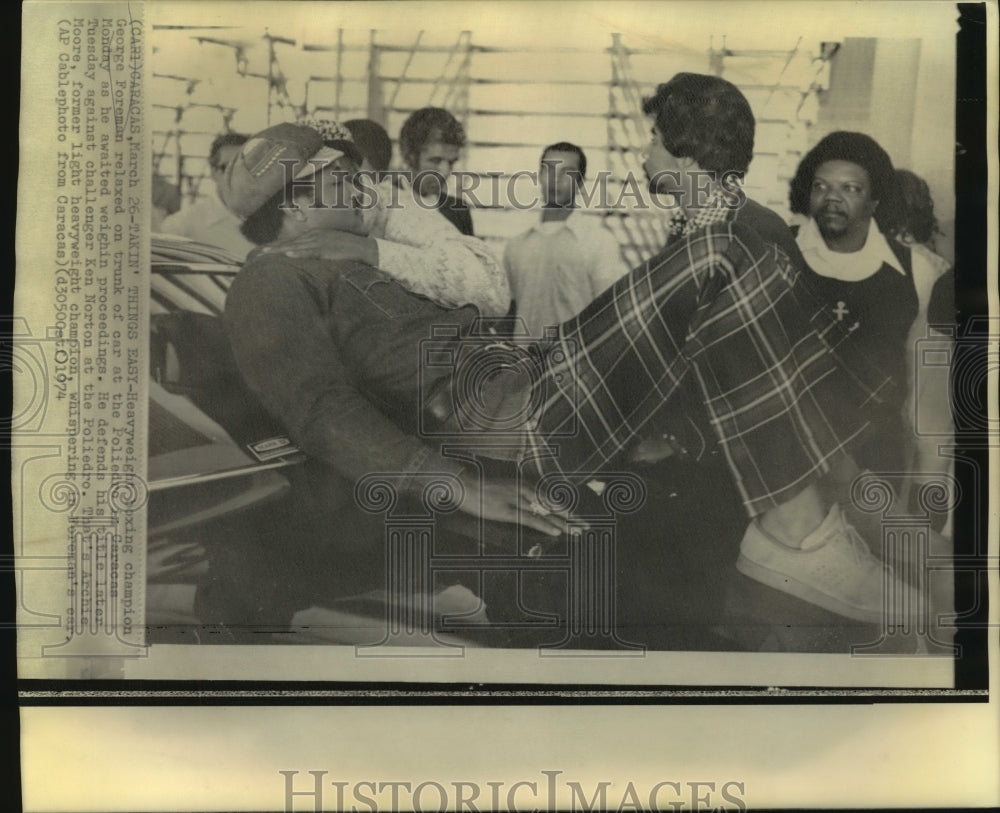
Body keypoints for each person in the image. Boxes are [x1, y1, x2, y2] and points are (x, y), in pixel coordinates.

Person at [223, 75, 916, 628]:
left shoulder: (350, 256)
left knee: (734, 243)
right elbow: (318, 409)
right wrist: (457, 484)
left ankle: (816, 516)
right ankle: (802, 529)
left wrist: (367, 236)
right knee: (723, 248)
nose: (364, 186)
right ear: (300, 196)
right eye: (345, 178)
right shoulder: (269, 279)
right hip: (510, 413)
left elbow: (473, 275)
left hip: (527, 379)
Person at [252, 118, 509, 316]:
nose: (355, 193)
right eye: (338, 181)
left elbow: (491, 292)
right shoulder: (276, 232)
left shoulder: (392, 205)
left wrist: (371, 250)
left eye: (353, 178)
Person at [789, 131, 917, 474]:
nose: (832, 198)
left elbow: (926, 388)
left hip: (876, 458)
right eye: (821, 186)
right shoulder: (777, 254)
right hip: (792, 453)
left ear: (875, 202)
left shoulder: (917, 270)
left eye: (851, 189)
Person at [503, 142, 629, 336]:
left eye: (567, 173)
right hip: (524, 362)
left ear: (580, 183)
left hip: (576, 361)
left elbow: (611, 315)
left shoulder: (599, 242)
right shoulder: (516, 245)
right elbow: (508, 314)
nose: (555, 180)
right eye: (549, 171)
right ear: (539, 176)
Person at [160, 132, 257, 259]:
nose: (240, 176)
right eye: (230, 168)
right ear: (214, 171)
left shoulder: (277, 222)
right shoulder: (181, 227)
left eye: (248, 167)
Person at [398, 106, 475, 235]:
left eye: (451, 162)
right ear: (409, 158)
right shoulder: (384, 203)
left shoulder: (458, 211)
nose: (445, 172)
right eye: (435, 161)